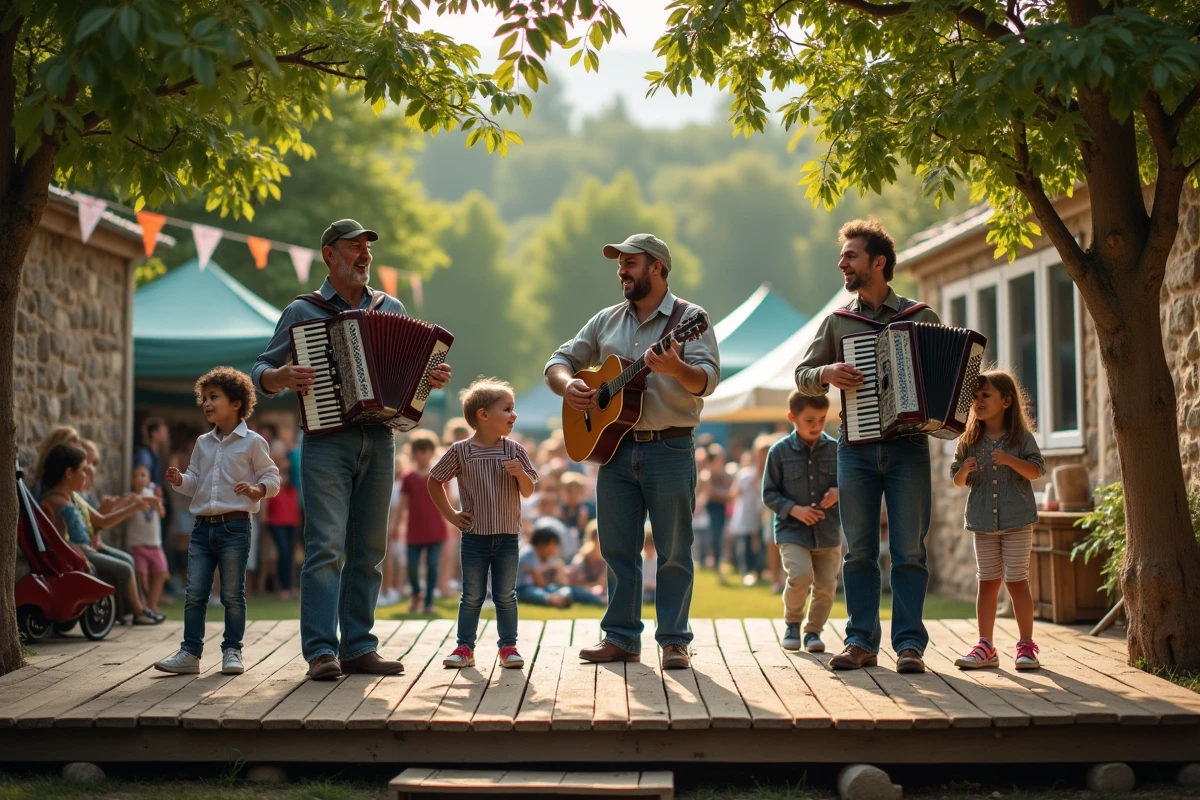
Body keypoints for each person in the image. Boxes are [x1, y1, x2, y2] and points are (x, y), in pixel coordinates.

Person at [253, 219, 452, 681]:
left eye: (368, 248)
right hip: (326, 439)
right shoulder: (303, 310)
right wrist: (280, 377)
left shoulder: (390, 306)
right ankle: (322, 651)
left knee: (369, 548)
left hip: (380, 438)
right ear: (329, 254)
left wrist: (430, 377)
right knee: (325, 546)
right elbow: (261, 368)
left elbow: (413, 373)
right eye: (354, 247)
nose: (364, 255)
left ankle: (359, 646)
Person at [545, 233, 720, 671]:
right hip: (615, 450)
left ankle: (674, 640)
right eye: (619, 264)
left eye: (630, 263)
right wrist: (569, 386)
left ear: (657, 267)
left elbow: (707, 381)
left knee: (674, 550)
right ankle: (621, 637)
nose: (621, 271)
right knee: (617, 548)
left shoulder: (690, 319)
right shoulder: (605, 320)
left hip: (670, 447)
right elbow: (557, 361)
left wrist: (677, 368)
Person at [793, 218, 941, 674]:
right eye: (842, 257)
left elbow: (944, 383)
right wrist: (825, 373)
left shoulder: (921, 317)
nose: (842, 263)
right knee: (858, 551)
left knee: (909, 551)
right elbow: (802, 375)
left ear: (878, 263)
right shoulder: (839, 322)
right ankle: (860, 641)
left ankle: (910, 646)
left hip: (908, 448)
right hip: (855, 448)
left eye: (850, 256)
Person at [154, 367, 280, 676]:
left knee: (232, 595)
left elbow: (272, 478)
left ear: (236, 403)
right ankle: (190, 653)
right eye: (204, 398)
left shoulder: (253, 442)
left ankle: (232, 651)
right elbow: (194, 482)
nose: (206, 403)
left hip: (235, 528)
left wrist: (258, 490)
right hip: (201, 528)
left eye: (214, 397)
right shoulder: (203, 443)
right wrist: (180, 480)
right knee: (194, 594)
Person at [429, 378, 538, 670]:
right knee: (472, 595)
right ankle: (465, 648)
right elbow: (434, 480)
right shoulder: (461, 451)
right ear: (483, 415)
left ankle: (508, 648)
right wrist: (451, 514)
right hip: (474, 537)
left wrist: (520, 474)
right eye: (507, 409)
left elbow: (529, 490)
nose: (514, 415)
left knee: (505, 596)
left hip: (508, 537)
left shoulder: (514, 450)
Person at [950, 370, 1046, 671]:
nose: (978, 401)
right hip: (983, 524)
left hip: (1017, 522)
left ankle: (1026, 646)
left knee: (1016, 581)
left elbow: (1036, 471)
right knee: (988, 582)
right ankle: (985, 646)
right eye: (975, 397)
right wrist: (964, 470)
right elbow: (957, 480)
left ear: (1006, 401)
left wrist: (1009, 460)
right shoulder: (969, 440)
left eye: (985, 396)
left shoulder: (1021, 438)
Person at [38, 444, 163, 626]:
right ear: (69, 473)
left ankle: (132, 611)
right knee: (124, 568)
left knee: (127, 561)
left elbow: (101, 520)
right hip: (78, 556)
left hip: (86, 550)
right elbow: (57, 539)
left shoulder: (72, 497)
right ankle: (139, 612)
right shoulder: (53, 501)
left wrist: (133, 507)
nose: (87, 474)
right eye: (83, 470)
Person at [762, 391, 842, 653]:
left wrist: (839, 491)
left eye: (822, 419)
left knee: (826, 585)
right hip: (791, 531)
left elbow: (854, 484)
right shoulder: (778, 452)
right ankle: (792, 624)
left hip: (828, 531)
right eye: (809, 420)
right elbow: (769, 494)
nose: (817, 426)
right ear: (792, 417)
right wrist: (794, 510)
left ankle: (813, 632)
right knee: (800, 575)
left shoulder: (837, 449)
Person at [401, 431, 447, 614]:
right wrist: (396, 525)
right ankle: (415, 594)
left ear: (432, 452)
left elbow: (445, 502)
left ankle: (428, 602)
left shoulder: (439, 476)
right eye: (417, 450)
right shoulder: (408, 477)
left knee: (432, 566)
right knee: (412, 566)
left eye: (424, 450)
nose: (420, 454)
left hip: (435, 529)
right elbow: (403, 505)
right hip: (414, 530)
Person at [123, 464, 170, 615]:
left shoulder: (154, 495)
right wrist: (135, 504)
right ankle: (143, 606)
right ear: (131, 480)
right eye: (135, 476)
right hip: (137, 544)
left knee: (161, 572)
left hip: (155, 543)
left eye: (143, 475)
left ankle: (152, 604)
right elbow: (127, 516)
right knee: (141, 576)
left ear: (149, 479)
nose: (139, 478)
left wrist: (157, 503)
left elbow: (162, 513)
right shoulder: (130, 497)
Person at [729, 436, 771, 585]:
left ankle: (760, 571)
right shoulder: (746, 474)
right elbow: (734, 494)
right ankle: (748, 572)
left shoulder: (772, 474)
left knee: (763, 544)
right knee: (746, 545)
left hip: (765, 515)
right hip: (747, 515)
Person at [266, 454, 302, 600]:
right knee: (284, 551)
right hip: (276, 522)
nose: (285, 473)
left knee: (290, 554)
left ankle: (289, 586)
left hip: (292, 522)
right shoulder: (273, 485)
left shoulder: (293, 488)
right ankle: (283, 587)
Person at [567, 519, 608, 604]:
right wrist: (594, 586)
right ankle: (600, 600)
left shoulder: (605, 560)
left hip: (598, 591)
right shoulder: (581, 558)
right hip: (579, 590)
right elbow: (574, 583)